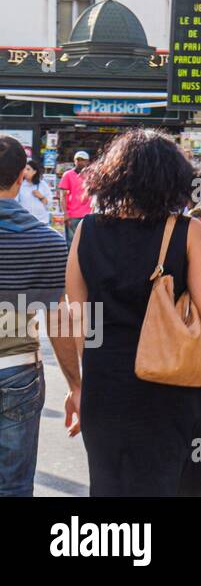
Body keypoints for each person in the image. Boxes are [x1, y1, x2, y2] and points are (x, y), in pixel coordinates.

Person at [61, 129, 201, 497]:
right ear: (172, 179)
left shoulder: (87, 230)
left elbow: (76, 314)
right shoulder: (186, 232)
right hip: (174, 382)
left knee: (112, 487)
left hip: (106, 385)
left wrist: (81, 381)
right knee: (176, 484)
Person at [0, 136, 79, 497]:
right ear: (22, 178)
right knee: (14, 486)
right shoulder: (46, 241)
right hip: (16, 367)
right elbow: (58, 320)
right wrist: (76, 386)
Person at [57, 150, 91, 242]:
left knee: (87, 241)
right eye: (78, 160)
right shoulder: (68, 175)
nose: (80, 162)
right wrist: (65, 213)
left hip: (88, 214)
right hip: (73, 214)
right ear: (74, 161)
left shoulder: (91, 175)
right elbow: (62, 195)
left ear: (87, 162)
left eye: (83, 160)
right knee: (72, 242)